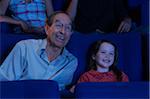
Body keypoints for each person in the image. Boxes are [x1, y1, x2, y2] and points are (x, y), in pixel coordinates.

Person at [0, 11, 78, 91]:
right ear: (47, 29)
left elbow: (58, 91)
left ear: (71, 34)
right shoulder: (24, 48)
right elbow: (4, 82)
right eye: (58, 25)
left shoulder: (71, 62)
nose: (63, 31)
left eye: (68, 28)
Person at [67, 0, 132, 33]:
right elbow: (68, 20)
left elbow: (124, 16)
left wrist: (127, 21)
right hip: (83, 36)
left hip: (107, 37)